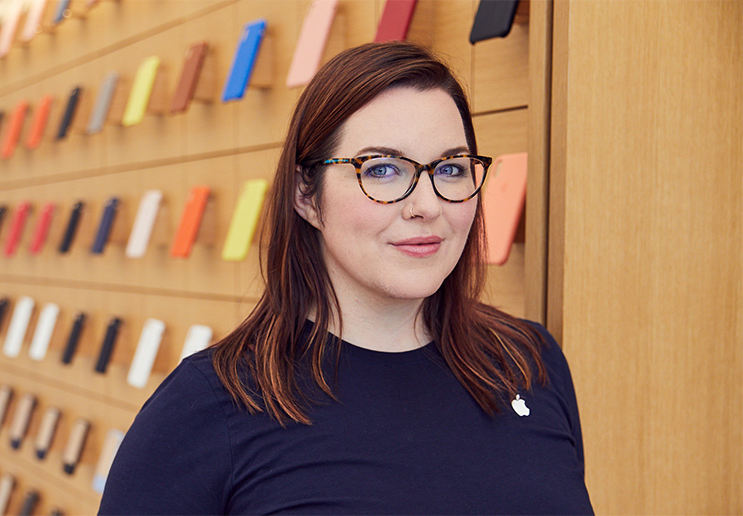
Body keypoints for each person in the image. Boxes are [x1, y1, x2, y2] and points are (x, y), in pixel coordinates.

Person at [98, 42, 593, 515]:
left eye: (450, 169)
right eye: (381, 170)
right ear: (306, 196)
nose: (427, 205)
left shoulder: (530, 361)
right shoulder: (209, 407)